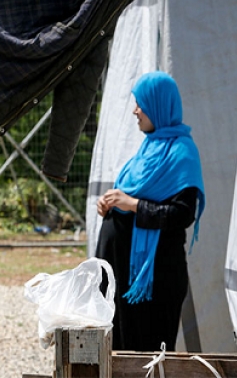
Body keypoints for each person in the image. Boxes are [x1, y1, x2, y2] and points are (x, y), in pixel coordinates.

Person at [94, 71, 205, 352]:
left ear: (159, 104)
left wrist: (131, 205)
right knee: (117, 351)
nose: (135, 111)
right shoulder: (148, 149)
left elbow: (182, 214)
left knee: (146, 354)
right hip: (122, 273)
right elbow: (131, 197)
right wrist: (110, 205)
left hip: (156, 281)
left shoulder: (182, 152)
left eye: (141, 103)